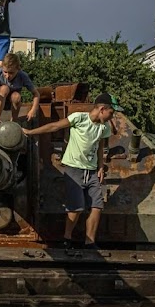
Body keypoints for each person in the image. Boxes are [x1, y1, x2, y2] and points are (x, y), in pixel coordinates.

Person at [25, 93, 120, 249]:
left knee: (97, 206)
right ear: (102, 109)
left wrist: (100, 167)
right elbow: (54, 126)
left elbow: (100, 146)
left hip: (91, 171)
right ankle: (67, 238)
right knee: (76, 207)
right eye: (111, 113)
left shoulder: (103, 127)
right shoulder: (79, 118)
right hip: (74, 169)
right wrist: (30, 132)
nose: (112, 117)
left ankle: (90, 242)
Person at [0, 53, 41, 131]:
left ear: (18, 69)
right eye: (5, 72)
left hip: (9, 102)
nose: (8, 76)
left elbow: (36, 94)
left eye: (11, 73)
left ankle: (14, 121)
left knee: (16, 96)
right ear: (2, 68)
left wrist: (33, 109)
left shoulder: (22, 76)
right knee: (5, 88)